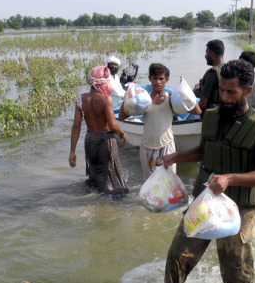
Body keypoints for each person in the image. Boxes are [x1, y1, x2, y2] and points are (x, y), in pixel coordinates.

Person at [157, 59, 255, 283]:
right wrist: (175, 157)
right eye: (222, 90)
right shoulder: (211, 116)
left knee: (236, 271)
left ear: (248, 91)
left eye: (231, 92)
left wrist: (229, 179)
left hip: (240, 208)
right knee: (177, 257)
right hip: (206, 202)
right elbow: (205, 151)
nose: (224, 97)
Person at [118, 63, 201, 181]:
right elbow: (121, 116)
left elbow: (197, 111)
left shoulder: (171, 99)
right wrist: (128, 98)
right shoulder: (143, 100)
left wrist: (185, 94)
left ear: (166, 80)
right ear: (150, 79)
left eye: (161, 79)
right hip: (146, 147)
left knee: (169, 183)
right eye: (155, 78)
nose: (158, 82)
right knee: (150, 184)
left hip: (166, 147)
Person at [69, 66, 129, 197]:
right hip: (105, 141)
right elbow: (113, 125)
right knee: (112, 176)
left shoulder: (81, 99)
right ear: (103, 83)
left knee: (95, 175)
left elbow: (76, 127)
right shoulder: (106, 100)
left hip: (90, 140)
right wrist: (122, 133)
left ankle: (97, 203)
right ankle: (116, 205)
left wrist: (72, 152)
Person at [193, 39, 225, 115]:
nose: (205, 56)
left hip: (213, 116)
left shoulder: (212, 74)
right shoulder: (229, 69)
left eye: (207, 53)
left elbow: (203, 104)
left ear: (212, 55)